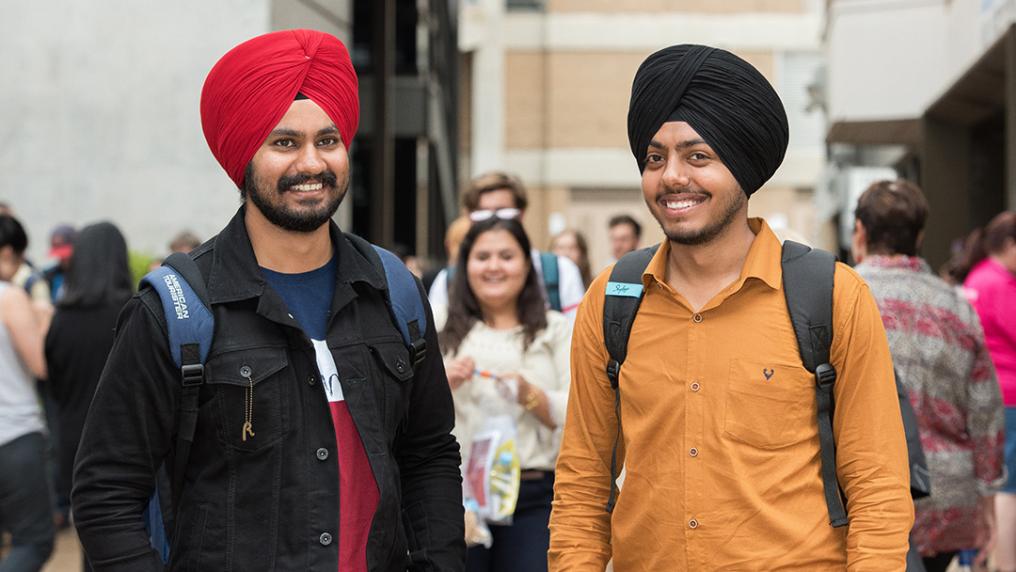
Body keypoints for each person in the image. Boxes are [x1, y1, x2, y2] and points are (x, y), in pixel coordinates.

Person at [71, 29, 464, 571]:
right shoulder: (176, 310)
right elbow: (106, 491)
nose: (311, 164)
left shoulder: (393, 290)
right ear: (244, 153)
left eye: (327, 141)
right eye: (285, 143)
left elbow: (429, 455)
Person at [548, 44, 913, 570]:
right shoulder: (612, 298)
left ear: (744, 168)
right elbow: (583, 480)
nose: (672, 176)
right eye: (655, 158)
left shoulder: (831, 295)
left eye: (698, 157)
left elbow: (877, 483)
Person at [851, 180, 1004, 572]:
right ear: (919, 236)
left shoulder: (840, 295)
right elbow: (986, 408)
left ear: (861, 232)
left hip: (861, 498)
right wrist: (987, 495)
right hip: (946, 495)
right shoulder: (956, 304)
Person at [437, 217, 571, 572]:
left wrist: (530, 395)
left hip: (533, 498)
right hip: (455, 498)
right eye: (482, 257)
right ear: (464, 265)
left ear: (527, 264)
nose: (494, 266)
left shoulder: (555, 330)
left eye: (506, 256)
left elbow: (578, 414)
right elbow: (405, 413)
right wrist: (437, 384)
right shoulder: (438, 328)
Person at [44, 222, 134, 571]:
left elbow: (53, 384)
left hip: (73, 445)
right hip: (125, 448)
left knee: (92, 545)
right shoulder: (134, 313)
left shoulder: (60, 320)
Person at [427, 172, 586, 321]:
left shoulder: (560, 271)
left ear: (521, 214)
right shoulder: (448, 281)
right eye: (483, 214)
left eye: (503, 213)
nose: (493, 223)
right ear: (470, 218)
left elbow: (575, 339)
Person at [955, 211, 1016, 572]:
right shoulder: (999, 284)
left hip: (992, 396)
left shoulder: (979, 278)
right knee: (1009, 490)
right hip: (1009, 397)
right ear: (1009, 245)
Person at [0, 214, 54, 571]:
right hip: (13, 434)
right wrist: (45, 314)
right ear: (8, 252)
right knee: (33, 541)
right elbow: (42, 364)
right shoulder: (9, 296)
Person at [42, 224, 75, 303]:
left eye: (66, 255)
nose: (62, 259)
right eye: (60, 255)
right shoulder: (50, 275)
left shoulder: (86, 276)